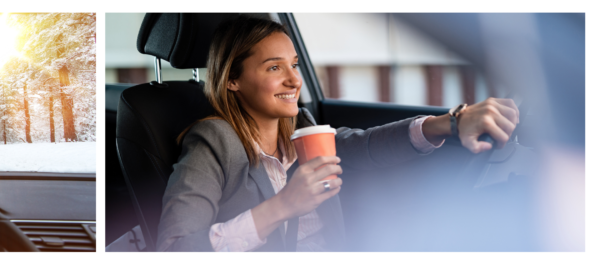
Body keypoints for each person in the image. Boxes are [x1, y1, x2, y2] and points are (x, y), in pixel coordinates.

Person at [156, 16, 520, 252]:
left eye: (294, 65)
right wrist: (282, 206)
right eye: (273, 67)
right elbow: (172, 250)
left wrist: (451, 122)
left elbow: (366, 144)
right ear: (232, 80)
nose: (294, 80)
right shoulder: (212, 141)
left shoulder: (300, 128)